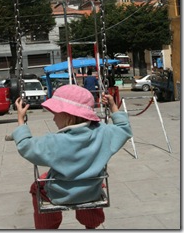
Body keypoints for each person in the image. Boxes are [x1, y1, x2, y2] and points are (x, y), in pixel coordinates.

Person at [12, 85, 133, 229]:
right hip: (91, 192)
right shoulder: (104, 133)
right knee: (93, 183)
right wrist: (113, 106)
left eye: (55, 113)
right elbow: (124, 129)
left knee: (37, 187)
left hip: (60, 194)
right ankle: (91, 223)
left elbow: (25, 146)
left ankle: (47, 227)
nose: (53, 118)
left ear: (68, 115)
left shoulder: (54, 142)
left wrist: (20, 121)